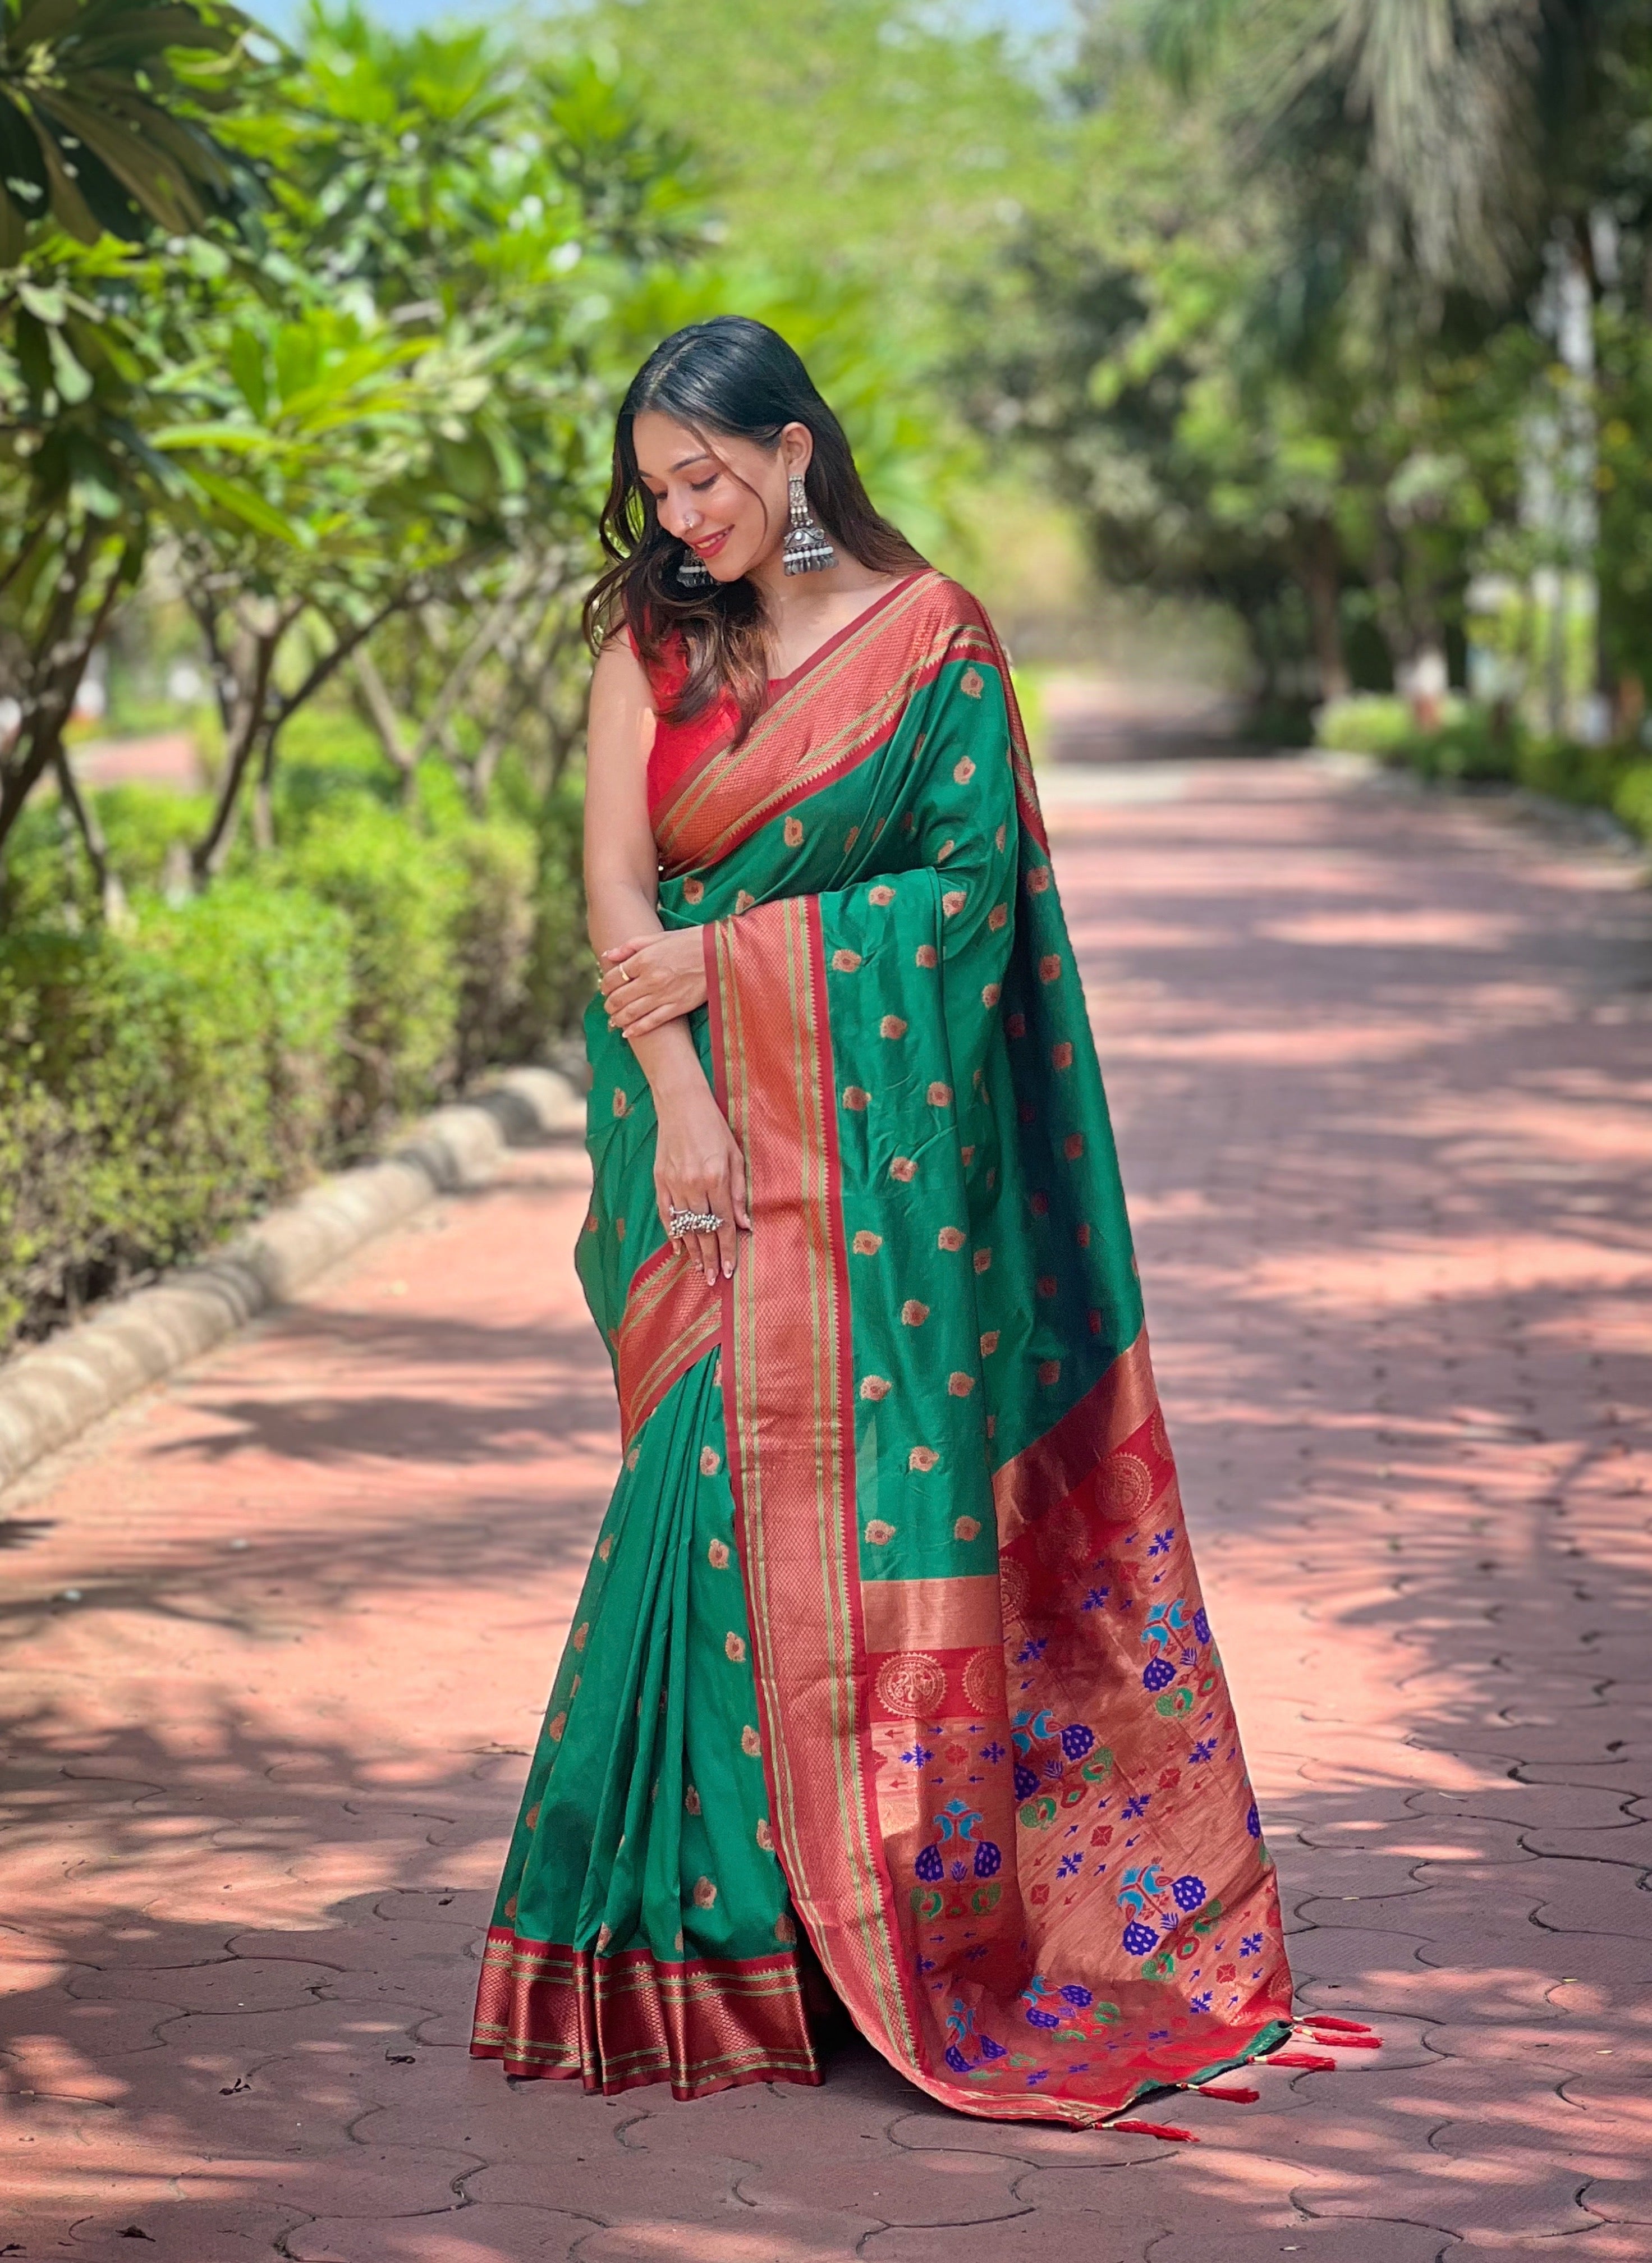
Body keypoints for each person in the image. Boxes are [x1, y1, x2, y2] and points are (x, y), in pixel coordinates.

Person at [470, 315, 1292, 2125]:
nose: (681, 517)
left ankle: (887, 1930)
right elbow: (617, 883)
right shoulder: (648, 639)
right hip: (697, 1145)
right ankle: (697, 1954)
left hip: (878, 1182)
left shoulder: (933, 648)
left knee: (882, 1513)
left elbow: (971, 894)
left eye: (706, 477)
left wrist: (737, 962)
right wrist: (687, 1094)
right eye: (656, 488)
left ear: (791, 451)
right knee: (695, 1507)